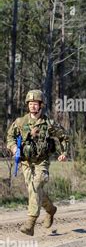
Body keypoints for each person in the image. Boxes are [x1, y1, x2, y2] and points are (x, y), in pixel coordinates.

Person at [6, 89, 69, 235]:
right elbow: (10, 137)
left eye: (35, 104)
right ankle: (51, 209)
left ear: (41, 105)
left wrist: (63, 153)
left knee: (36, 185)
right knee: (34, 191)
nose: (32, 106)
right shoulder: (20, 122)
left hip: (42, 162)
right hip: (26, 162)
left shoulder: (49, 124)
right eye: (30, 104)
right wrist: (14, 148)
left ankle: (30, 223)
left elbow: (64, 137)